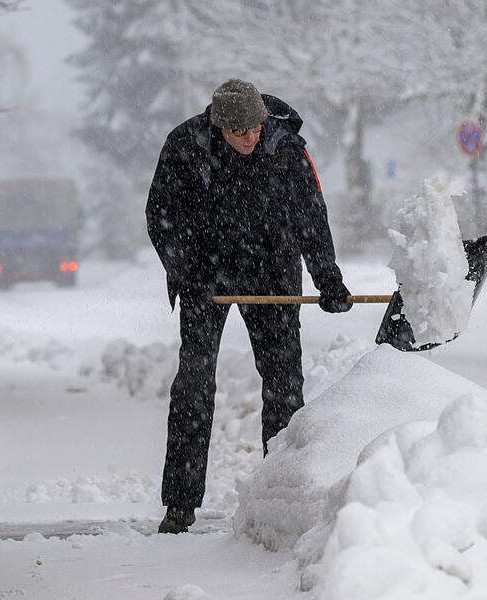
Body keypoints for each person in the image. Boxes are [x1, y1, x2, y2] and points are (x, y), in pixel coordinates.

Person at [146, 79, 352, 534]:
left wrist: (329, 279)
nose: (251, 137)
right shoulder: (184, 146)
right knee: (195, 383)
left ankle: (279, 497)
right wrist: (188, 271)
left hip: (272, 268)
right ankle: (179, 505)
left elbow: (311, 214)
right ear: (220, 127)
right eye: (240, 132)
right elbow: (161, 216)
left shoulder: (285, 145)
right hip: (207, 273)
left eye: (256, 128)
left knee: (283, 383)